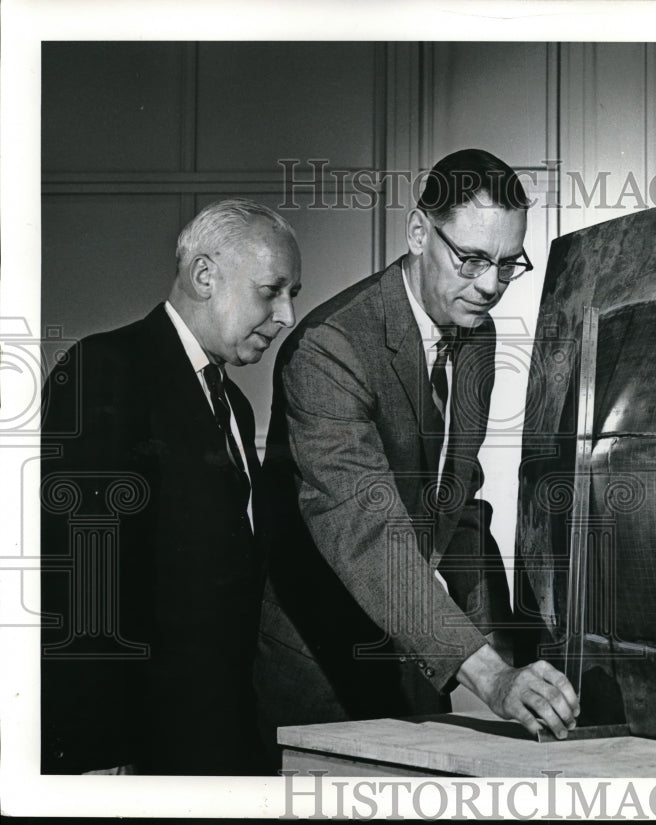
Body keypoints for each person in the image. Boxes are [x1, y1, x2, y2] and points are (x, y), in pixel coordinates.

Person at [255, 149, 579, 766]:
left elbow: (459, 512)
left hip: (414, 670)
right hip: (319, 677)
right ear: (417, 233)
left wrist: (507, 655)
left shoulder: (477, 335)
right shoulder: (330, 349)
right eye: (473, 259)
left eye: (508, 264)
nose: (489, 286)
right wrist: (489, 676)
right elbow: (367, 532)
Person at [39, 198, 302, 775]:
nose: (284, 315)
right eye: (271, 290)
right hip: (131, 751)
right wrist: (96, 751)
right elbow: (83, 580)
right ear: (205, 275)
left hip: (220, 739)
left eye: (293, 296)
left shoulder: (234, 403)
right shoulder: (104, 368)